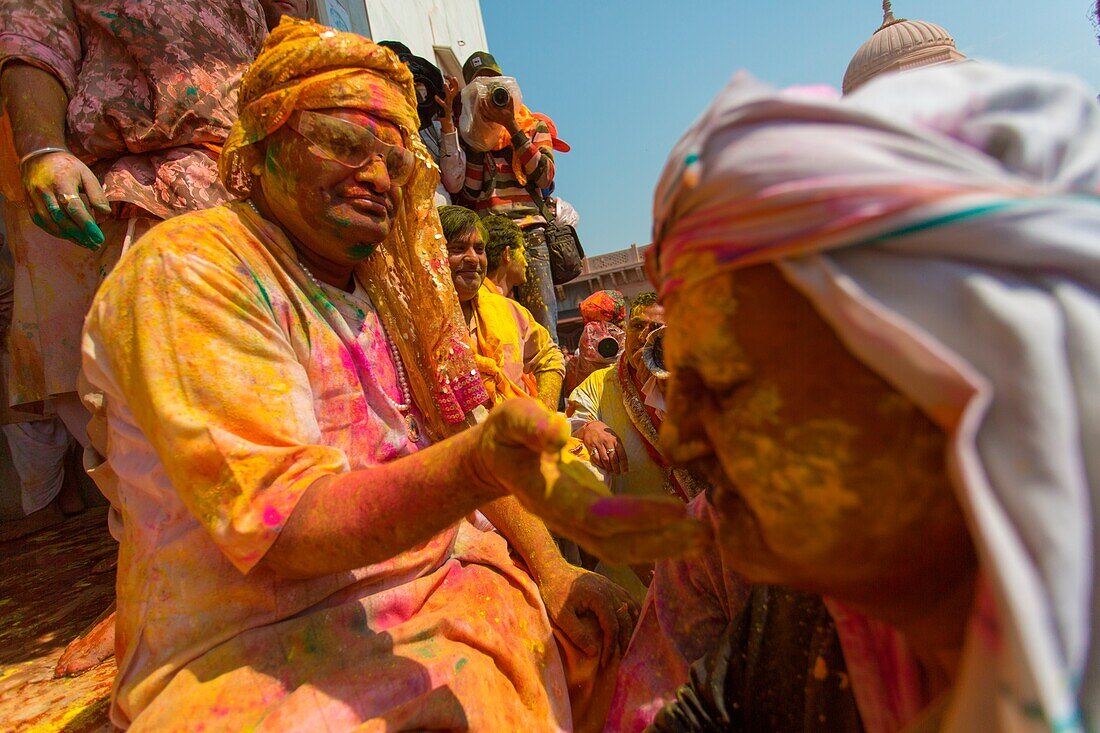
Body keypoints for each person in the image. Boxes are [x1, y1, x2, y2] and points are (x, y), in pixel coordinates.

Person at [79, 21, 704, 731]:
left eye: (395, 159)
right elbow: (287, 530)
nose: (377, 176)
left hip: (447, 589)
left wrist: (553, 569)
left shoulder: (392, 294)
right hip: (259, 639)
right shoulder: (192, 271)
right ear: (264, 140)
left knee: (636, 644)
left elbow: (469, 432)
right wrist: (472, 469)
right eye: (345, 144)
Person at [624, 62, 1100, 732]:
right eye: (680, 377)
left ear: (950, 379)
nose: (679, 439)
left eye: (727, 385)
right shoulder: (809, 612)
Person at [460, 50, 561, 343]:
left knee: (543, 328)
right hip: (490, 239)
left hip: (529, 235)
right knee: (498, 328)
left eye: (494, 84)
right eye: (481, 87)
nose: (490, 93)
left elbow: (544, 175)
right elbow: (470, 189)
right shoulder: (472, 134)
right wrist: (478, 139)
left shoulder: (532, 125)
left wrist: (511, 126)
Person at [442, 206, 564, 412]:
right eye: (458, 249)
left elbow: (550, 355)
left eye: (479, 249)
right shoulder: (415, 321)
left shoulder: (508, 310)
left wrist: (546, 407)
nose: (473, 259)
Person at [378, 40, 466, 205]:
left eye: (412, 82)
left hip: (438, 217)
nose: (407, 88)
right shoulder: (376, 126)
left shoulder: (434, 125)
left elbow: (454, 182)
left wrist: (447, 122)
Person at [563, 290, 627, 398]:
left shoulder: (633, 353)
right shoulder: (575, 365)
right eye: (595, 331)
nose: (604, 335)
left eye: (611, 328)